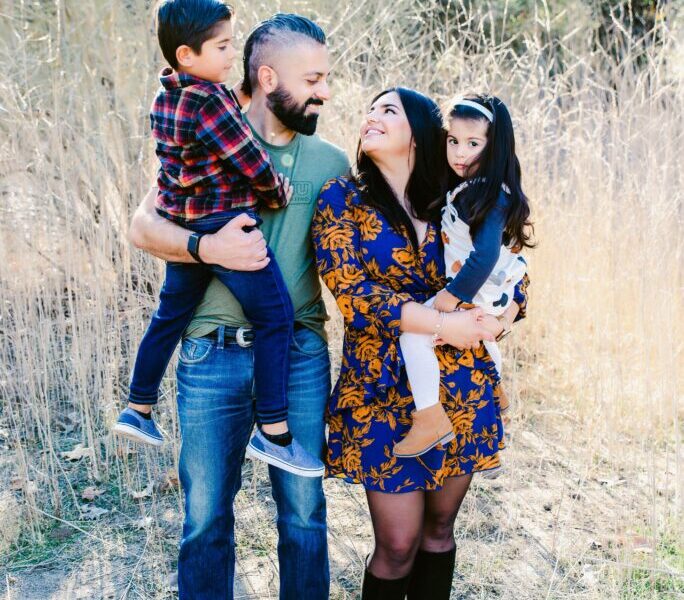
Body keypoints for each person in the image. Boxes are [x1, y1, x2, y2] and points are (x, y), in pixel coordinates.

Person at [128, 13, 349, 599]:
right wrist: (206, 245)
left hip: (299, 354)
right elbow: (141, 227)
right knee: (205, 519)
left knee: (304, 514)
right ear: (270, 76)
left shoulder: (330, 164)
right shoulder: (202, 132)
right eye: (314, 79)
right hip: (210, 354)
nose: (325, 92)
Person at [312, 87, 530, 599]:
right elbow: (353, 294)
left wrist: (505, 315)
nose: (371, 117)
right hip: (380, 389)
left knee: (438, 533)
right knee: (397, 543)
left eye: (389, 110)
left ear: (419, 133)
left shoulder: (453, 195)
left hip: (460, 384)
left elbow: (509, 262)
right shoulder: (342, 199)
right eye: (370, 109)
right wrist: (436, 323)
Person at [114, 0, 324, 477]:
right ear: (187, 54)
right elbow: (248, 156)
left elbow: (174, 164)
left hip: (184, 221)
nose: (233, 55)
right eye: (223, 46)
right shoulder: (211, 101)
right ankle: (274, 431)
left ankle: (138, 408)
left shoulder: (166, 95)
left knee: (169, 314)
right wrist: (275, 191)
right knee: (275, 316)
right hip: (226, 222)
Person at [394, 94, 533, 458]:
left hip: (474, 288)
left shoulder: (489, 194)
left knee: (414, 334)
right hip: (484, 293)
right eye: (453, 141)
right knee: (484, 332)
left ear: (493, 146)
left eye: (473, 143)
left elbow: (486, 255)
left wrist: (451, 297)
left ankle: (429, 416)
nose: (459, 153)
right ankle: (496, 387)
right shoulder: (470, 188)